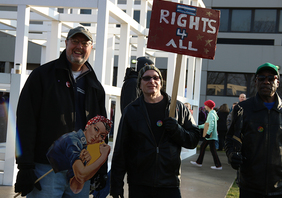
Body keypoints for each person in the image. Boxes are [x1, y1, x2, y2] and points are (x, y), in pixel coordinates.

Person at [15, 26, 108, 197]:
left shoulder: (94, 86)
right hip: (46, 169)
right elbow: (25, 122)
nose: (79, 46)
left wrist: (100, 168)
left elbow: (100, 130)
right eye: (75, 41)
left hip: (81, 172)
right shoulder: (42, 76)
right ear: (66, 43)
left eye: (85, 43)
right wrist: (25, 166)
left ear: (91, 48)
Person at [110, 65, 199, 198]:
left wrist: (177, 130)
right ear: (140, 84)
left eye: (155, 77)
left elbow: (193, 140)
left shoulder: (178, 109)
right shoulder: (131, 111)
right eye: (146, 78)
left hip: (169, 183)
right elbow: (121, 150)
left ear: (161, 83)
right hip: (139, 184)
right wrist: (116, 185)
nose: (151, 81)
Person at [225, 62, 282, 197]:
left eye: (271, 78)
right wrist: (231, 155)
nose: (266, 82)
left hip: (281, 189)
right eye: (261, 78)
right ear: (256, 82)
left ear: (277, 82)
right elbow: (230, 140)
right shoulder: (242, 109)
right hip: (250, 188)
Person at [46, 115, 111, 194]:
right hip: (47, 176)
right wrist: (103, 157)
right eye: (96, 129)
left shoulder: (84, 148)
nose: (97, 136)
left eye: (102, 136)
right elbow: (81, 175)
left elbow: (76, 187)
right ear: (88, 126)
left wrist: (88, 164)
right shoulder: (73, 140)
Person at [190, 100, 222, 170]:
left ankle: (218, 165)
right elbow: (207, 124)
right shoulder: (213, 113)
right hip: (211, 135)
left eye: (205, 105)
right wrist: (199, 126)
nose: (204, 106)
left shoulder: (210, 114)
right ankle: (199, 162)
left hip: (210, 135)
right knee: (203, 147)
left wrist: (207, 133)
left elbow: (211, 125)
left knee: (211, 149)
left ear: (208, 106)